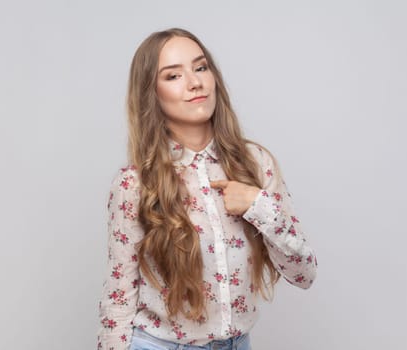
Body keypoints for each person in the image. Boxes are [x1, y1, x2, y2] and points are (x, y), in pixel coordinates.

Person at [97, 28, 317, 350]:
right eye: (173, 76)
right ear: (152, 93)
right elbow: (118, 295)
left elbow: (304, 274)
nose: (195, 82)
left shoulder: (255, 164)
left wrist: (257, 205)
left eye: (200, 68)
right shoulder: (135, 183)